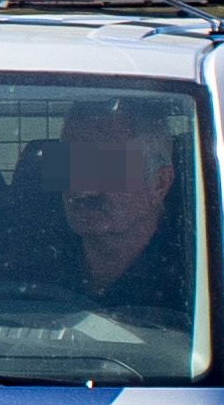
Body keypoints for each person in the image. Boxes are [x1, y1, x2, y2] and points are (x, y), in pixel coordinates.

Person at [53, 99, 186, 313]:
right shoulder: (28, 265)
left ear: (160, 183)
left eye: (107, 166)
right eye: (69, 165)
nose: (81, 188)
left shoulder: (199, 277)